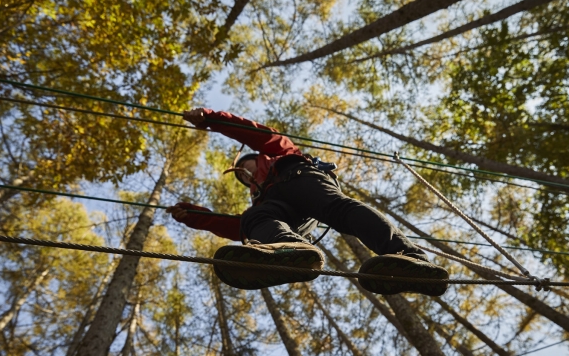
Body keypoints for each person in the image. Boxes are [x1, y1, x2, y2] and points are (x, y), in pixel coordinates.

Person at [166, 108, 449, 296]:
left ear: (256, 158)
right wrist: (192, 216)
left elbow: (258, 134)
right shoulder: (260, 199)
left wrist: (212, 119)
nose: (248, 173)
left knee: (338, 209)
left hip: (299, 177)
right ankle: (289, 249)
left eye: (249, 165)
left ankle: (410, 257)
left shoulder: (281, 153)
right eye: (244, 176)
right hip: (283, 210)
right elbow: (237, 227)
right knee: (254, 221)